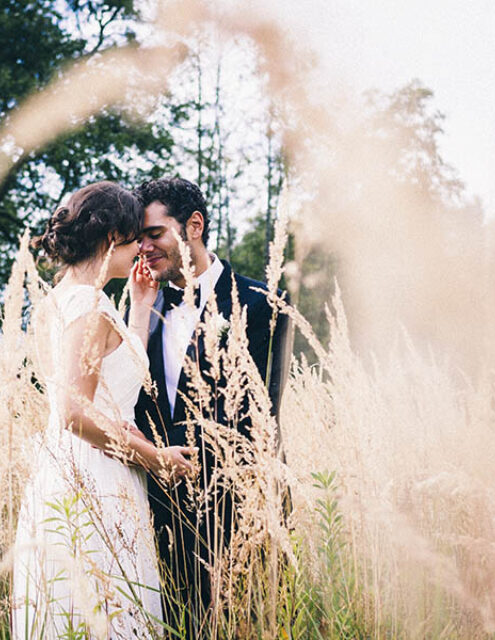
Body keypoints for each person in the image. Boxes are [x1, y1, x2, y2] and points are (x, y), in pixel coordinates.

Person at [11, 181, 197, 639]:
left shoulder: (67, 299)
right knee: (106, 610)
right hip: (96, 475)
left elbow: (111, 387)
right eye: (136, 238)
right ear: (112, 237)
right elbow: (74, 410)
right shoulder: (91, 307)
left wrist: (139, 308)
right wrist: (156, 460)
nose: (141, 249)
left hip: (76, 467)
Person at [132, 177, 293, 638]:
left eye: (154, 234)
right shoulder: (141, 310)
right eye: (137, 238)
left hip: (239, 514)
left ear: (194, 226)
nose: (143, 247)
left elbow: (261, 415)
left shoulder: (262, 305)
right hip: (161, 519)